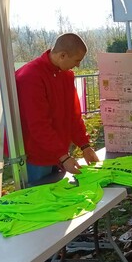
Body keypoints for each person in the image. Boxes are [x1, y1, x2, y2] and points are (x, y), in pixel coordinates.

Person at [15, 33, 99, 184]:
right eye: (77, 60)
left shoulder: (66, 75)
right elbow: (38, 125)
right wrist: (63, 156)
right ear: (62, 55)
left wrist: (85, 145)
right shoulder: (30, 76)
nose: (78, 65)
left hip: (59, 151)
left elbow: (73, 115)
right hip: (37, 155)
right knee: (39, 199)